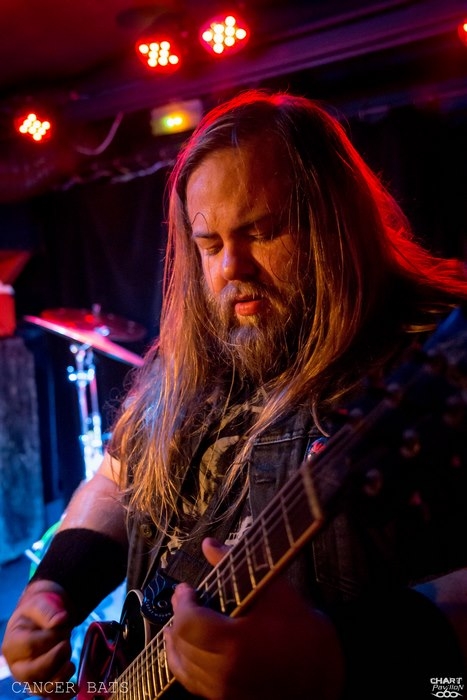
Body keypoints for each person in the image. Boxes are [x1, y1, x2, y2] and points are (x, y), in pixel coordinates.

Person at [3, 89, 467, 700]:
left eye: (262, 232)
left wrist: (334, 661)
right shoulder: (195, 355)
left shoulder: (433, 356)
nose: (230, 268)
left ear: (334, 220)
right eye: (210, 245)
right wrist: (53, 586)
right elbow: (118, 477)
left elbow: (449, 685)